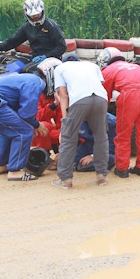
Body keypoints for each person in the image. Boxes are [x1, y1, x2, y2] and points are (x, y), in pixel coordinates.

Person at [0, 58, 60, 181]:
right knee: (24, 131)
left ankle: (1, 165)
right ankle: (15, 170)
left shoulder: (28, 78)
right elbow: (26, 113)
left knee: (7, 131)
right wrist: (36, 125)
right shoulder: (36, 83)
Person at [52, 55, 110, 189]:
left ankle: (65, 179)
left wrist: (65, 120)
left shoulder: (60, 68)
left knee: (68, 138)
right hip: (101, 98)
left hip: (79, 99)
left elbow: (64, 95)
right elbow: (98, 85)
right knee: (101, 137)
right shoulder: (92, 65)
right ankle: (101, 177)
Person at [97, 47, 140, 178]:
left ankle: (122, 169)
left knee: (123, 134)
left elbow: (104, 95)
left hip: (129, 97)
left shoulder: (108, 70)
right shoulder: (136, 66)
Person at [0, 0, 67, 72]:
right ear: (26, 14)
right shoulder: (26, 27)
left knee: (27, 70)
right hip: (35, 56)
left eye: (37, 14)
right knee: (11, 65)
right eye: (33, 15)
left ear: (43, 11)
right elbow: (13, 41)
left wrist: (46, 56)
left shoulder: (51, 26)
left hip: (52, 58)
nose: (35, 17)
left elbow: (62, 47)